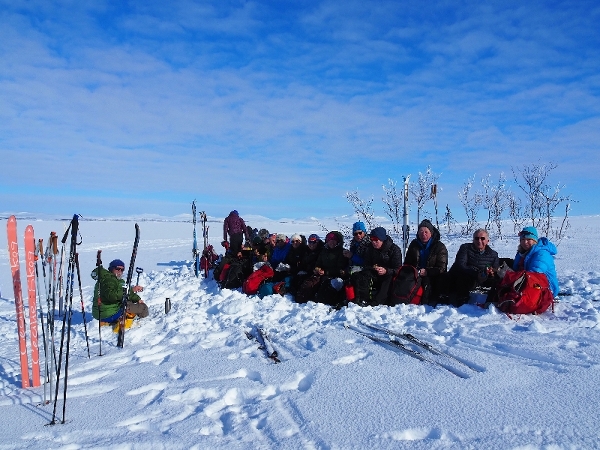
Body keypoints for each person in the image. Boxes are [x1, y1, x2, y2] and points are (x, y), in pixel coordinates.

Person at [447, 229, 500, 304]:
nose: (479, 241)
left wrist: (490, 272)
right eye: (476, 238)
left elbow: (495, 270)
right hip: (465, 276)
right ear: (473, 240)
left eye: (482, 238)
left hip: (481, 280)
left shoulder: (493, 254)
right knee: (461, 275)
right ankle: (461, 300)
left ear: (488, 241)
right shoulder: (465, 248)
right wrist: (476, 272)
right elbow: (460, 264)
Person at [91, 259, 149, 326]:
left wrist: (137, 298)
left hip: (101, 313)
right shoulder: (109, 280)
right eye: (117, 269)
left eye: (122, 270)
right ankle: (126, 320)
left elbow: (121, 291)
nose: (120, 271)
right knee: (143, 308)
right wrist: (130, 291)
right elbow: (112, 295)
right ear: (111, 269)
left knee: (129, 301)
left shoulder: (108, 279)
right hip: (108, 314)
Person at [404, 219, 448, 305]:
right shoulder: (414, 244)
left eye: (426, 232)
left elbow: (442, 268)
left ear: (431, 233)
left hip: (433, 275)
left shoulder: (440, 247)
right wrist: (413, 270)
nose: (423, 234)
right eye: (421, 232)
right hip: (415, 274)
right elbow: (407, 262)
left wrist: (427, 272)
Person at [359, 227, 403, 306]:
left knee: (388, 278)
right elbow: (366, 264)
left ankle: (377, 302)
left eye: (376, 240)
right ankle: (362, 298)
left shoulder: (394, 249)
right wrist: (373, 268)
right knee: (363, 274)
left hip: (390, 276)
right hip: (375, 274)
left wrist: (386, 270)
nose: (373, 242)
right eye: (372, 239)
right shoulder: (370, 249)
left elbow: (398, 269)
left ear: (382, 239)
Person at [513, 226, 559, 297]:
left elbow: (535, 273)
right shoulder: (522, 253)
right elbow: (516, 269)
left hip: (546, 289)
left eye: (529, 239)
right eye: (523, 239)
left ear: (534, 240)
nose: (525, 242)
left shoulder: (542, 254)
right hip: (528, 283)